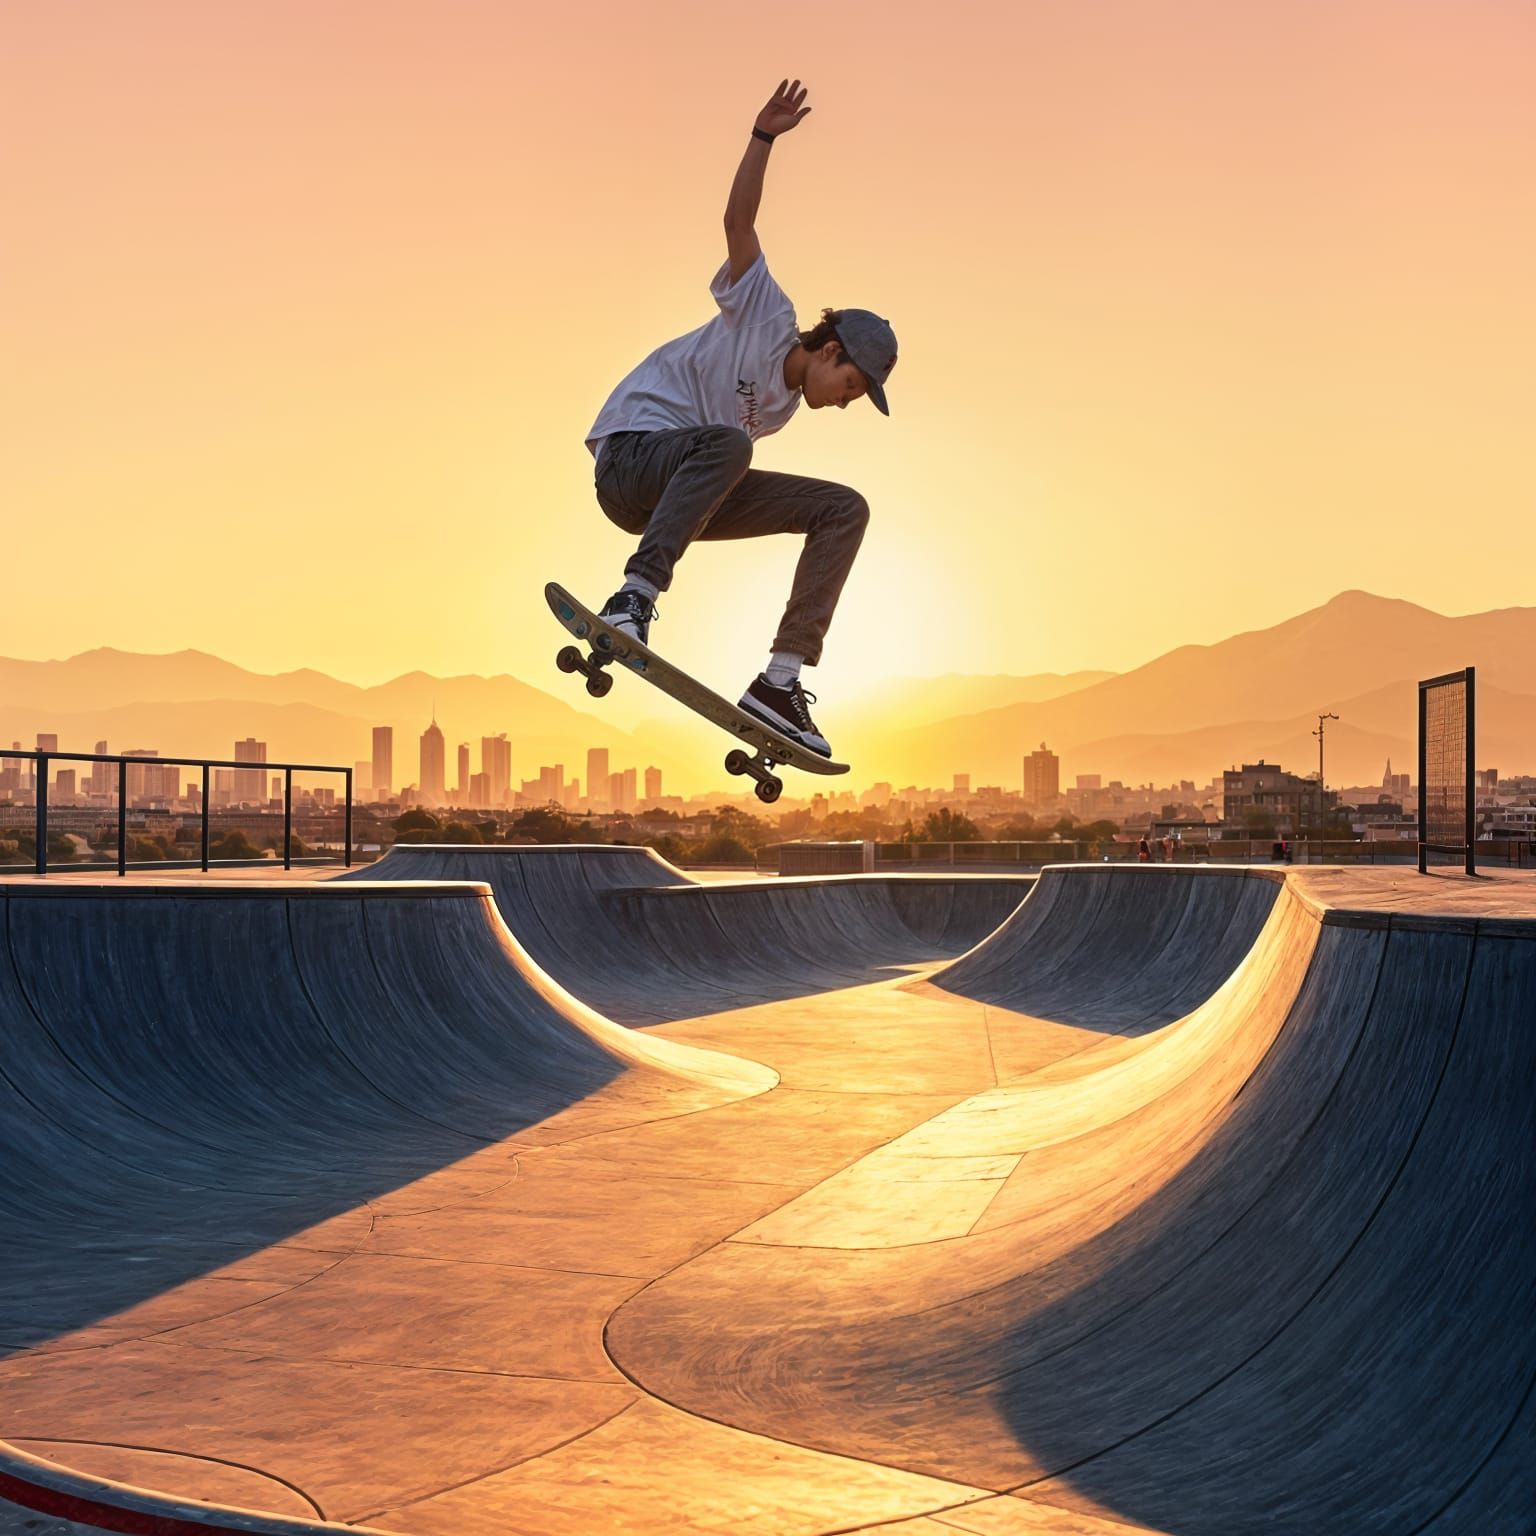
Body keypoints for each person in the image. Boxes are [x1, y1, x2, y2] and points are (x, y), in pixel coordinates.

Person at [583, 79, 897, 759]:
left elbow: (723, 466)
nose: (845, 402)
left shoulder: (782, 410)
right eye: (850, 385)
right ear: (831, 349)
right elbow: (739, 226)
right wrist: (763, 138)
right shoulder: (766, 315)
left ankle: (781, 680)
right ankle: (633, 600)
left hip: (684, 492)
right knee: (730, 446)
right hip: (631, 463)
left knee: (844, 507)